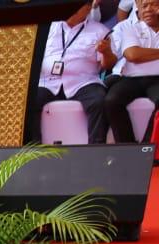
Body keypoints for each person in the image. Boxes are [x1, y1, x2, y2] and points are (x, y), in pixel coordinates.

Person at [31, 2, 110, 145]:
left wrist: (106, 52)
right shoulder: (46, 27)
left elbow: (106, 65)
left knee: (99, 101)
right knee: (29, 100)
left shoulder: (101, 31)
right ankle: (33, 150)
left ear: (88, 8)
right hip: (48, 81)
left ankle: (96, 149)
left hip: (83, 81)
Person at [105, 0, 159, 142]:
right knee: (112, 101)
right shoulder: (130, 27)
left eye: (154, 5)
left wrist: (145, 53)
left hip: (157, 80)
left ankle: (147, 148)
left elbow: (138, 54)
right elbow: (132, 55)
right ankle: (127, 146)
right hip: (131, 79)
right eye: (144, 6)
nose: (148, 10)